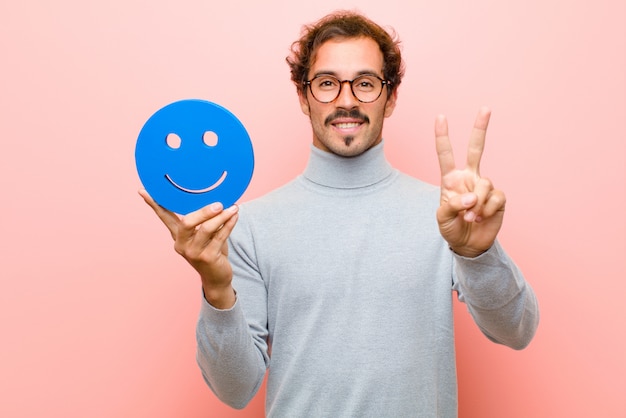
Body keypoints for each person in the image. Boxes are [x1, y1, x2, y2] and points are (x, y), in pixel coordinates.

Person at [139, 10, 539, 417]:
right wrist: (217, 288)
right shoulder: (250, 227)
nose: (346, 101)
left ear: (391, 96)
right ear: (303, 96)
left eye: (365, 84)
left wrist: (478, 255)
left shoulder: (447, 216)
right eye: (327, 84)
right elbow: (235, 389)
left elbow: (517, 331)